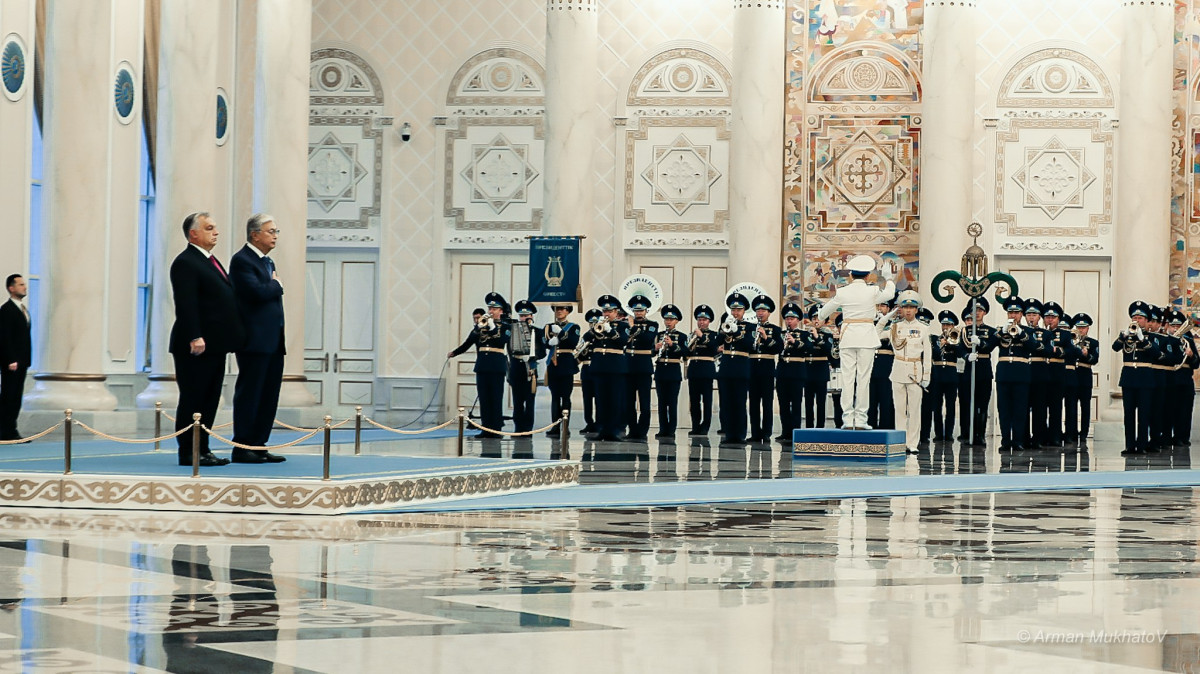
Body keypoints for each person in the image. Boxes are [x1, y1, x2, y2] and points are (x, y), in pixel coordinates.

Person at [169, 212, 246, 466]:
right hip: (196, 345)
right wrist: (195, 335)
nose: (216, 232)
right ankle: (189, 452)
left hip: (215, 345)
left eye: (215, 227)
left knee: (209, 399)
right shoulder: (186, 262)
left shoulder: (209, 260)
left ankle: (203, 449)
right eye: (209, 228)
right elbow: (186, 303)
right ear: (194, 234)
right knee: (194, 398)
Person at [228, 214, 287, 464]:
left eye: (276, 231)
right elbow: (254, 293)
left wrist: (273, 285)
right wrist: (277, 286)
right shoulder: (242, 260)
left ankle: (259, 444)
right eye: (270, 231)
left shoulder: (267, 261)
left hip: (273, 340)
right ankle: (242, 446)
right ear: (255, 235)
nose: (274, 235)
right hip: (254, 341)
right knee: (251, 393)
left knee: (268, 394)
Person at [817, 255, 896, 429]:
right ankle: (860, 419)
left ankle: (847, 419)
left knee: (847, 379)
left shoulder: (843, 291)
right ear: (868, 276)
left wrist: (821, 317)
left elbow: (824, 312)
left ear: (851, 276)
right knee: (863, 379)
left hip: (848, 337)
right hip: (866, 338)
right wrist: (888, 278)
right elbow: (890, 294)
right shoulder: (872, 290)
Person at [448, 292, 510, 439]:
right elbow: (468, 342)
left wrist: (493, 326)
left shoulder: (506, 326)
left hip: (496, 366)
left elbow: (502, 341)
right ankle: (485, 428)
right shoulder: (481, 326)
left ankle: (495, 429)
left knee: (495, 398)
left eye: (494, 309)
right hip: (483, 366)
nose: (491, 311)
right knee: (484, 398)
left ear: (501, 311)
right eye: (490, 308)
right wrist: (454, 353)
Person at [1113, 301, 1158, 455]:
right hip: (1129, 377)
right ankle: (1130, 445)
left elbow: (1156, 354)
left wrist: (1143, 339)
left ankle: (1142, 445)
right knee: (1129, 414)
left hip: (1145, 378)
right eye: (1134, 318)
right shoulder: (1126, 336)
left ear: (1146, 321)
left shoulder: (1151, 337)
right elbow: (1115, 347)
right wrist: (1124, 336)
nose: (1136, 321)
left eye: (1140, 318)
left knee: (1144, 414)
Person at [888, 290, 930, 454]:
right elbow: (877, 333)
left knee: (914, 410)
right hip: (898, 371)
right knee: (899, 409)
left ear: (917, 309)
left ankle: (912, 442)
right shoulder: (895, 327)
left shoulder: (923, 328)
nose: (908, 310)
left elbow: (927, 355)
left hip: (915, 373)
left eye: (912, 307)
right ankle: (900, 442)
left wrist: (926, 375)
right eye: (905, 307)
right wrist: (888, 317)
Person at [957, 299, 998, 446]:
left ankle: (981, 434)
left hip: (984, 372)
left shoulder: (992, 331)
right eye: (974, 310)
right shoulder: (965, 331)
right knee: (969, 404)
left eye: (980, 310)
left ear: (985, 312)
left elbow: (990, 347)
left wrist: (981, 343)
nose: (977, 313)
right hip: (969, 371)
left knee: (982, 405)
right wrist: (967, 356)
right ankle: (970, 434)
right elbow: (960, 348)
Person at [995, 297, 1034, 451]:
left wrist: (1021, 334)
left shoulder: (1028, 331)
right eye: (1010, 312)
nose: (1013, 315)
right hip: (1004, 374)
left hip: (1021, 374)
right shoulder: (1001, 330)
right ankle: (1005, 440)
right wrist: (1001, 333)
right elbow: (989, 346)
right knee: (1003, 410)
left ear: (1022, 314)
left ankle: (1018, 440)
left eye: (1016, 312)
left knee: (1019, 409)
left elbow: (1034, 346)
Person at [591, 295, 631, 442]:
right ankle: (602, 429)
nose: (606, 314)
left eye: (609, 311)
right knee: (601, 401)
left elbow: (623, 341)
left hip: (615, 368)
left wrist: (610, 331)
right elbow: (588, 339)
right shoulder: (597, 325)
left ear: (616, 312)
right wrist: (596, 329)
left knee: (615, 400)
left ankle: (615, 430)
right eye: (604, 311)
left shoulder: (623, 326)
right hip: (599, 366)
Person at [717, 293, 754, 446]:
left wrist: (737, 332)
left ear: (744, 310)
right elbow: (716, 342)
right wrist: (723, 330)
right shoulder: (725, 323)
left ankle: (740, 435)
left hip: (741, 367)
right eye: (733, 309)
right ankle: (729, 434)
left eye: (738, 309)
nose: (735, 313)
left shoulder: (750, 327)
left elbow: (750, 344)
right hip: (726, 367)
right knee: (726, 402)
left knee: (739, 402)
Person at [0, 274, 32, 442]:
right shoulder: (6, 310)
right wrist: (10, 359)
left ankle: (11, 429)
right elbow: (4, 337)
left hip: (22, 361)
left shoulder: (22, 309)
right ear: (11, 288)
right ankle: (6, 431)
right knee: (9, 396)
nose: (24, 287)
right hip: (12, 362)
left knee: (16, 397)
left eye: (24, 284)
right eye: (20, 284)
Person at [542, 303, 580, 438]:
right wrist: (549, 343)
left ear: (567, 311)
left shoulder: (574, 327)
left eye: (562, 309)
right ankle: (555, 426)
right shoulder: (548, 327)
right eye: (557, 309)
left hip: (566, 365)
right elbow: (543, 342)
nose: (559, 311)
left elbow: (573, 342)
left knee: (565, 397)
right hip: (553, 365)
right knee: (555, 397)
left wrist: (561, 332)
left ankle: (565, 426)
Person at [748, 295, 783, 443]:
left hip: (767, 370)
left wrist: (766, 338)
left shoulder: (775, 329)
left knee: (767, 403)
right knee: (753, 403)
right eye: (758, 310)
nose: (760, 313)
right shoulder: (750, 328)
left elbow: (779, 348)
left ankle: (767, 432)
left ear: (769, 312)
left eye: (763, 310)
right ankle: (755, 432)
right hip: (752, 369)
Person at [625, 295, 658, 440]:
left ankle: (642, 431)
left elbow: (647, 339)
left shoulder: (652, 325)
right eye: (636, 310)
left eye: (641, 310)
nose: (638, 313)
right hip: (628, 366)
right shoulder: (625, 324)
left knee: (644, 401)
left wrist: (632, 327)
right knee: (628, 401)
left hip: (644, 366)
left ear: (646, 311)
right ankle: (632, 430)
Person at [508, 300, 543, 433]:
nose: (524, 318)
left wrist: (535, 356)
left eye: (526, 316)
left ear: (532, 316)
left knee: (529, 401)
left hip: (531, 369)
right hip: (517, 367)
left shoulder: (537, 332)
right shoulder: (513, 331)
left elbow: (543, 350)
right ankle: (518, 428)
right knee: (517, 401)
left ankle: (527, 428)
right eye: (521, 316)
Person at [654, 304, 688, 439]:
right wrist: (655, 349)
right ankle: (663, 428)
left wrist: (672, 345)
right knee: (661, 402)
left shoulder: (681, 336)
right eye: (666, 319)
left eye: (671, 319)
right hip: (661, 371)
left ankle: (671, 429)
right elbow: (651, 352)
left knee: (672, 402)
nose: (668, 322)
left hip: (673, 372)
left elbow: (686, 352)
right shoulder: (659, 335)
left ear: (676, 321)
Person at [929, 310, 962, 443]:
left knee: (950, 406)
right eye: (944, 325)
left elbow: (960, 354)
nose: (946, 328)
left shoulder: (957, 340)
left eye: (949, 325)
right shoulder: (934, 339)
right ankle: (938, 433)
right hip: (937, 374)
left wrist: (952, 344)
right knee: (936, 406)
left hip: (951, 375)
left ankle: (948, 433)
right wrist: (941, 344)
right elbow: (932, 353)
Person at [776, 302, 807, 442]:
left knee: (795, 403)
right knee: (783, 403)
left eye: (792, 318)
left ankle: (795, 431)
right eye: (787, 319)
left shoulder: (804, 334)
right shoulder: (781, 334)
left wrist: (794, 342)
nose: (789, 321)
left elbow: (809, 348)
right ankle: (785, 432)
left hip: (796, 372)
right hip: (783, 371)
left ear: (798, 320)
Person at [1067, 313, 1100, 445]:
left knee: (1085, 406)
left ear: (1088, 328)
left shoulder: (1093, 342)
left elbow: (1095, 359)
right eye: (1079, 327)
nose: (1081, 330)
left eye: (1084, 327)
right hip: (1072, 375)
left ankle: (1084, 432)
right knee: (1071, 405)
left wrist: (1086, 355)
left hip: (1084, 374)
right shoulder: (1069, 340)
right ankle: (1072, 432)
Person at [687, 305, 718, 436]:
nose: (701, 322)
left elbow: (713, 348)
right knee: (694, 401)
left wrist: (702, 337)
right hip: (694, 369)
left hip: (706, 370)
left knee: (707, 400)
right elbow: (686, 351)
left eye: (704, 320)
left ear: (709, 321)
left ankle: (705, 426)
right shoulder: (692, 334)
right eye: (699, 319)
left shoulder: (714, 335)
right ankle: (695, 425)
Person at [868, 301, 897, 431]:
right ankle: (870, 427)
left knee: (886, 401)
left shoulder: (893, 325)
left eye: (883, 306)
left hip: (886, 366)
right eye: (878, 306)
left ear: (889, 309)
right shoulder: (870, 324)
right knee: (870, 401)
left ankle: (886, 428)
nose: (880, 309)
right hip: (871, 366)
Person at [804, 306, 835, 428]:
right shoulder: (806, 334)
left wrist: (817, 337)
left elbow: (828, 349)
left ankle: (820, 427)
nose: (816, 321)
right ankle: (808, 427)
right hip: (808, 370)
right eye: (814, 318)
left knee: (821, 402)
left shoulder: (828, 335)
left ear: (825, 321)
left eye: (819, 318)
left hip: (821, 371)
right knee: (808, 403)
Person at [578, 308, 602, 434]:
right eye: (591, 323)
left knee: (599, 398)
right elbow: (579, 356)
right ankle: (589, 422)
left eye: (595, 322)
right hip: (586, 369)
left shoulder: (602, 337)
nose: (593, 325)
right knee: (587, 399)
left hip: (598, 369)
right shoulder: (586, 336)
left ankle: (599, 423)